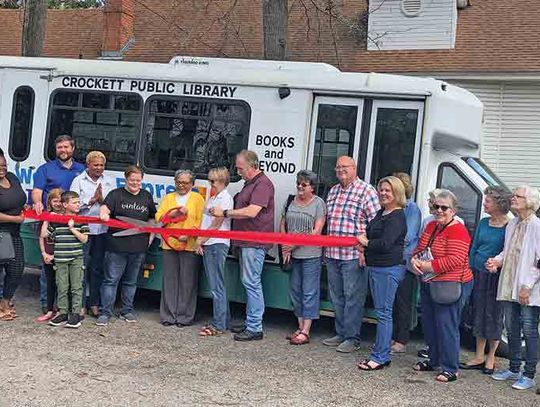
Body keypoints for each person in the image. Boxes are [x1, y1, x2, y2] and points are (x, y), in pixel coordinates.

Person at [210, 150, 275, 341]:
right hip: (246, 241)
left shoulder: (262, 184)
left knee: (251, 282)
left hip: (254, 242)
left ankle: (255, 327)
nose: (238, 172)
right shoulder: (251, 184)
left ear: (252, 166)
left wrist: (225, 213)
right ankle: (250, 322)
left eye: (240, 168)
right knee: (249, 282)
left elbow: (252, 211)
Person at [411, 189, 474, 383]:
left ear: (453, 210)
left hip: (451, 283)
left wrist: (428, 265)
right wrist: (414, 260)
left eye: (444, 207)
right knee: (430, 323)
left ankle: (450, 368)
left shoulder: (458, 230)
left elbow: (456, 259)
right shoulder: (431, 226)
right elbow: (421, 247)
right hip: (430, 280)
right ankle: (434, 359)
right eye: (435, 206)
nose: (439, 210)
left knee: (447, 325)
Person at [323, 156, 380, 353]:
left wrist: (365, 249)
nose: (340, 170)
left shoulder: (367, 191)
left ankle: (352, 337)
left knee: (353, 297)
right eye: (337, 167)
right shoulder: (333, 191)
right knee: (337, 296)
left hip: (353, 255)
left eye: (344, 167)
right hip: (332, 253)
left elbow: (375, 224)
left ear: (354, 168)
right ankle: (340, 332)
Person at [487, 185, 540, 391]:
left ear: (530, 202)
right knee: (511, 328)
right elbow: (507, 251)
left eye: (518, 196)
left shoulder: (537, 226)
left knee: (529, 330)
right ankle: (514, 368)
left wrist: (527, 286)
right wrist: (497, 261)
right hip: (510, 285)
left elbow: (538, 261)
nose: (513, 198)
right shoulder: (512, 224)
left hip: (528, 288)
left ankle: (529, 375)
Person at [357, 176, 407, 370]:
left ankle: (379, 357)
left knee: (384, 314)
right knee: (382, 312)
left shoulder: (397, 216)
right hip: (377, 268)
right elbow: (371, 234)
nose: (383, 193)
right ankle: (381, 354)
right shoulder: (382, 212)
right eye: (381, 189)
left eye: (388, 190)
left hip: (388, 269)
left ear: (397, 193)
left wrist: (366, 243)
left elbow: (385, 244)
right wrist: (365, 242)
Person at [97, 166, 157, 326]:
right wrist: (103, 214)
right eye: (132, 180)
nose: (135, 183)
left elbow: (152, 218)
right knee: (111, 280)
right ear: (126, 179)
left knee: (131, 282)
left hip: (138, 248)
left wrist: (150, 236)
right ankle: (105, 312)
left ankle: (127, 310)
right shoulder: (116, 194)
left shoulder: (146, 196)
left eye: (138, 180)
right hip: (116, 246)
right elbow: (105, 208)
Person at [460, 186, 511, 374]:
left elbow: (508, 252)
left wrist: (495, 265)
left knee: (494, 315)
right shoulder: (483, 222)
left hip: (496, 276)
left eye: (488, 201)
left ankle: (491, 357)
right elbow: (474, 247)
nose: (484, 204)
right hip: (477, 273)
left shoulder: (509, 225)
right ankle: (479, 355)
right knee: (478, 313)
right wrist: (471, 268)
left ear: (499, 203)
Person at [32, 135, 84, 314]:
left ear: (73, 148)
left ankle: (67, 308)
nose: (63, 150)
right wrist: (38, 203)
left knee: (70, 269)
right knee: (48, 267)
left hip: (71, 226)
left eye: (66, 147)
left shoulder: (81, 169)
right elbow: (37, 192)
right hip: (50, 223)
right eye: (59, 147)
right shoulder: (45, 169)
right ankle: (47, 307)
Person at [280, 170, 326, 345]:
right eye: (298, 183)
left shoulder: (318, 204)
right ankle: (299, 327)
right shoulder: (290, 200)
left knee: (309, 291)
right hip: (292, 253)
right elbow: (283, 223)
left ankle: (306, 330)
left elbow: (316, 231)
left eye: (304, 185)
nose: (300, 187)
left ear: (312, 188)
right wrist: (285, 246)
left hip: (311, 254)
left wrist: (293, 245)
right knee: (295, 291)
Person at [156, 169, 204, 327]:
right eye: (179, 182)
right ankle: (168, 316)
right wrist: (175, 213)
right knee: (169, 280)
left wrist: (189, 235)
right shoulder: (169, 198)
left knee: (187, 282)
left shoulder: (197, 199)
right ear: (175, 182)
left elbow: (200, 220)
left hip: (189, 245)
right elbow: (159, 218)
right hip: (169, 244)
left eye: (186, 182)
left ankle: (184, 317)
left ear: (192, 184)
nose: (182, 185)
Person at [70, 151, 115, 317]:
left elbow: (112, 204)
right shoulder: (78, 181)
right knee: (81, 267)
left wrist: (102, 200)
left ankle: (94, 303)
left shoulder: (109, 181)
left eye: (102, 165)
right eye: (95, 165)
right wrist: (91, 200)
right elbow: (72, 205)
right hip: (83, 231)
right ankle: (80, 304)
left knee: (97, 268)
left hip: (102, 232)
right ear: (88, 165)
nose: (99, 168)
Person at [195, 167, 234, 336]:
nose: (210, 183)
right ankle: (223, 321)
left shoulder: (224, 198)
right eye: (209, 180)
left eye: (213, 181)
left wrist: (200, 241)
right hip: (211, 243)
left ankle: (218, 324)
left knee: (216, 285)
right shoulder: (214, 197)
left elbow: (217, 224)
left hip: (216, 243)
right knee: (217, 284)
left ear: (222, 181)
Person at [46, 191, 89, 328]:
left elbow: (84, 239)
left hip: (76, 258)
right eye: (75, 202)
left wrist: (72, 229)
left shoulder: (81, 220)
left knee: (76, 287)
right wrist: (47, 218)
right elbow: (45, 235)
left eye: (78, 202)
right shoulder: (57, 221)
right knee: (62, 287)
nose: (78, 205)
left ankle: (76, 314)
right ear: (65, 204)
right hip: (60, 258)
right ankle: (63, 312)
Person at [390, 173, 422, 355]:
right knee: (391, 302)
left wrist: (388, 241)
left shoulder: (412, 208)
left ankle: (401, 339)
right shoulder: (390, 207)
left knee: (403, 302)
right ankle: (392, 336)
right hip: (391, 260)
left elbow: (408, 236)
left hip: (404, 262)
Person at [0, 152, 27, 321]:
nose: (1, 169)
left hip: (14, 233)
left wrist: (25, 205)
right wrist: (16, 218)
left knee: (17, 269)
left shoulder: (12, 177)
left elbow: (19, 198)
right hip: (1, 232)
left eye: (3, 165)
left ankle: (5, 300)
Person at [36, 188, 64, 323]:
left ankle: (60, 310)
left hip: (62, 256)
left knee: (62, 285)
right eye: (55, 201)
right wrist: (44, 253)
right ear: (49, 202)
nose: (58, 204)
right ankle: (49, 310)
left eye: (60, 201)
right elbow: (42, 236)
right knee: (49, 283)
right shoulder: (45, 216)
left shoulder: (66, 217)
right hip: (48, 255)